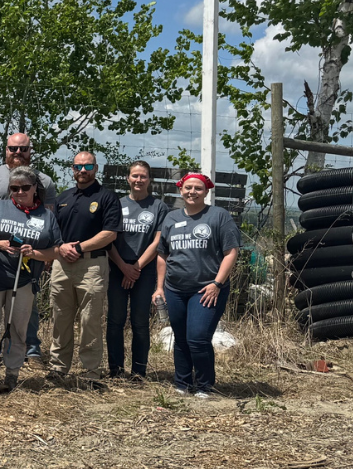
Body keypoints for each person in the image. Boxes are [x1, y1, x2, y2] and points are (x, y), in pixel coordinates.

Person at [153, 173, 242, 398]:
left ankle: (204, 385)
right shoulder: (171, 218)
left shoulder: (218, 216)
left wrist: (217, 284)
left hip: (207, 289)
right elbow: (163, 255)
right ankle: (182, 383)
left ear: (206, 191)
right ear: (180, 190)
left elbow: (231, 252)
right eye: (188, 188)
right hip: (174, 289)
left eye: (198, 188)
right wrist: (160, 287)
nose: (192, 192)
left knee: (198, 337)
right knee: (180, 338)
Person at [0, 167, 60, 392]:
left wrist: (34, 253)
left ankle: (11, 375)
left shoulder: (46, 216)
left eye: (25, 187)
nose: (19, 191)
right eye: (14, 188)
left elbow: (55, 250)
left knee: (18, 330)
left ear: (35, 189)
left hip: (23, 281)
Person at [48, 151, 122, 388]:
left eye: (87, 166)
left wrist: (78, 247)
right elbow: (52, 231)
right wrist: (60, 247)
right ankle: (58, 368)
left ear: (96, 168)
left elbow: (109, 233)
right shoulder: (63, 197)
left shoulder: (107, 197)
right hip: (62, 265)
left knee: (90, 319)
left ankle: (90, 373)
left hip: (92, 264)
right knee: (60, 317)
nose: (82, 170)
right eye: (78, 166)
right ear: (72, 169)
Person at [106, 161, 168, 380]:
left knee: (140, 322)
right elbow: (109, 238)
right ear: (128, 179)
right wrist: (124, 267)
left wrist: (136, 268)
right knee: (115, 320)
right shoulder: (116, 204)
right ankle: (115, 369)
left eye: (143, 176)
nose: (138, 180)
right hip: (117, 267)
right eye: (135, 176)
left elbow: (157, 241)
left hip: (144, 270)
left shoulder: (158, 207)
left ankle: (139, 372)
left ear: (149, 180)